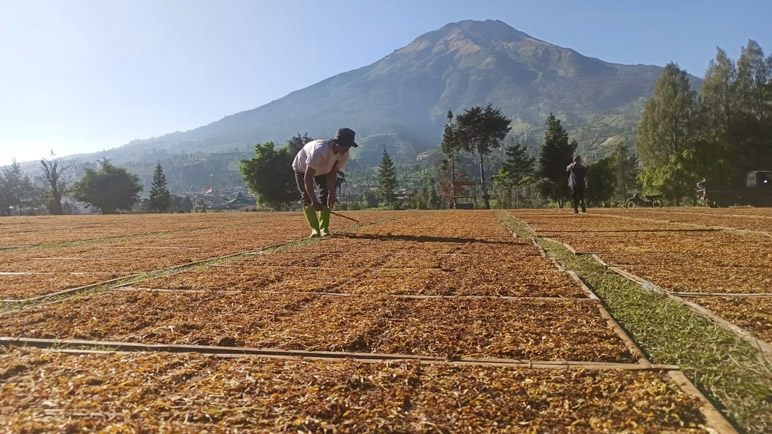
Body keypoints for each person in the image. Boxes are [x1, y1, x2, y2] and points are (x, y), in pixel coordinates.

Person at [292, 128, 358, 237]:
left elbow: (332, 173)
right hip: (303, 170)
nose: (347, 149)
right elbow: (308, 177)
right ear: (337, 143)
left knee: (326, 195)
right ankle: (315, 230)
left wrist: (332, 194)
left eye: (349, 146)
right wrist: (314, 200)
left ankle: (324, 229)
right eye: (345, 146)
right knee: (307, 198)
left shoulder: (344, 154)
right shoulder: (319, 151)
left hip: (324, 170)